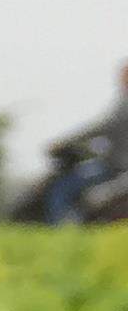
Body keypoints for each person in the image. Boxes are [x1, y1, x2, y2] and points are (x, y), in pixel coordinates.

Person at [45, 63, 128, 217]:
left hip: (115, 165)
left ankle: (62, 228)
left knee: (62, 187)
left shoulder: (124, 104)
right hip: (116, 164)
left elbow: (102, 128)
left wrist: (66, 141)